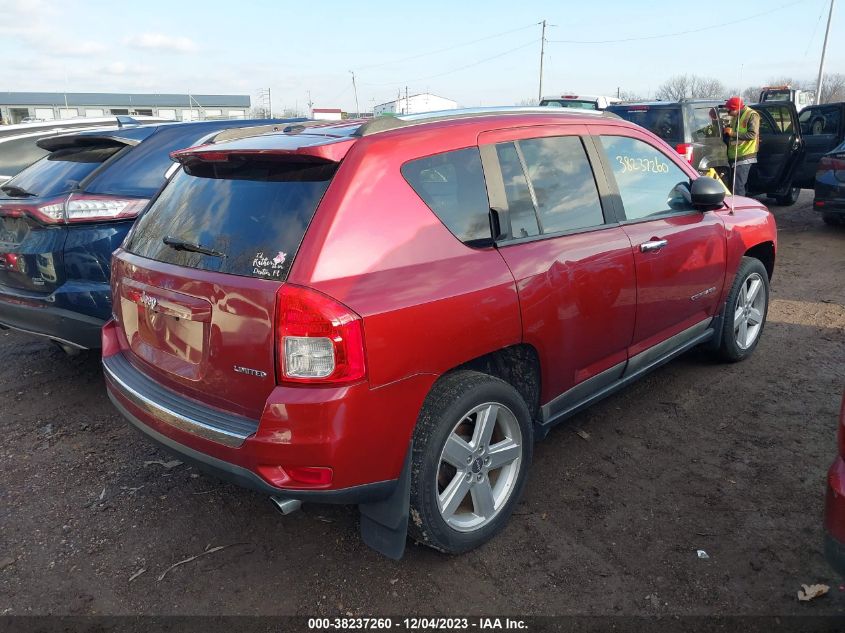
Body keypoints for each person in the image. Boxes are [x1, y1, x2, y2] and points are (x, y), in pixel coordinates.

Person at [723, 96, 760, 197]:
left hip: (745, 156)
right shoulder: (736, 116)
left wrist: (733, 133)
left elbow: (753, 135)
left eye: (729, 110)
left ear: (735, 108)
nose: (728, 113)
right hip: (735, 156)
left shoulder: (752, 115)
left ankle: (739, 210)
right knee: (733, 187)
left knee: (738, 188)